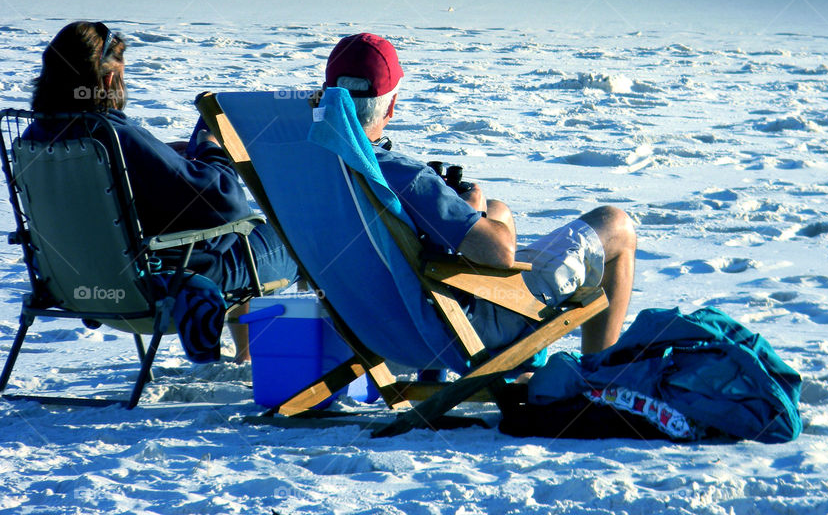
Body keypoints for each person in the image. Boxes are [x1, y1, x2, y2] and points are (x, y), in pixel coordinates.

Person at [323, 32, 636, 354]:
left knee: (498, 210)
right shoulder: (402, 175)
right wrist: (471, 208)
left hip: (361, 325)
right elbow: (500, 253)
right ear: (392, 105)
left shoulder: (309, 169)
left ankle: (522, 373)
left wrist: (473, 214)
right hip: (445, 328)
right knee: (617, 225)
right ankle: (599, 376)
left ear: (326, 95)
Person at [27, 21, 298, 361]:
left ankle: (244, 356)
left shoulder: (35, 137)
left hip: (73, 285)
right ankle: (310, 362)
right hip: (152, 289)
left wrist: (164, 154)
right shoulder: (113, 134)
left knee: (233, 236)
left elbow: (110, 185)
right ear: (109, 79)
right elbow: (225, 203)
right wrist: (210, 146)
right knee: (294, 233)